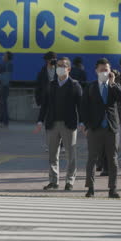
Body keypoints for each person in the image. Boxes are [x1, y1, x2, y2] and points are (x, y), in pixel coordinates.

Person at [34, 57, 83, 191]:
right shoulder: (51, 84)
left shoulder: (75, 85)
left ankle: (69, 181)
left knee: (70, 154)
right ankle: (53, 181)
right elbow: (44, 105)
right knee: (52, 154)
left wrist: (83, 122)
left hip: (69, 124)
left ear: (69, 69)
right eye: (58, 66)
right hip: (52, 123)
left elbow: (81, 106)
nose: (59, 68)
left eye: (63, 66)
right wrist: (40, 121)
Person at [81, 58, 121, 198]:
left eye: (106, 69)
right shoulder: (90, 87)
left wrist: (113, 83)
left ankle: (113, 189)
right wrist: (85, 125)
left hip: (111, 128)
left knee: (113, 159)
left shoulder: (113, 86)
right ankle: (90, 188)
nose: (104, 72)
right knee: (92, 159)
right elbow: (84, 108)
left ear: (110, 70)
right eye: (101, 70)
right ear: (96, 71)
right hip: (95, 128)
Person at [0, 51, 13, 127]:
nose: (3, 56)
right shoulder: (6, 64)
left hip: (4, 86)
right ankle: (2, 120)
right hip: (4, 85)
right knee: (2, 103)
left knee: (3, 104)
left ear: (7, 57)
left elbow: (5, 75)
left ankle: (5, 122)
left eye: (5, 55)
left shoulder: (8, 64)